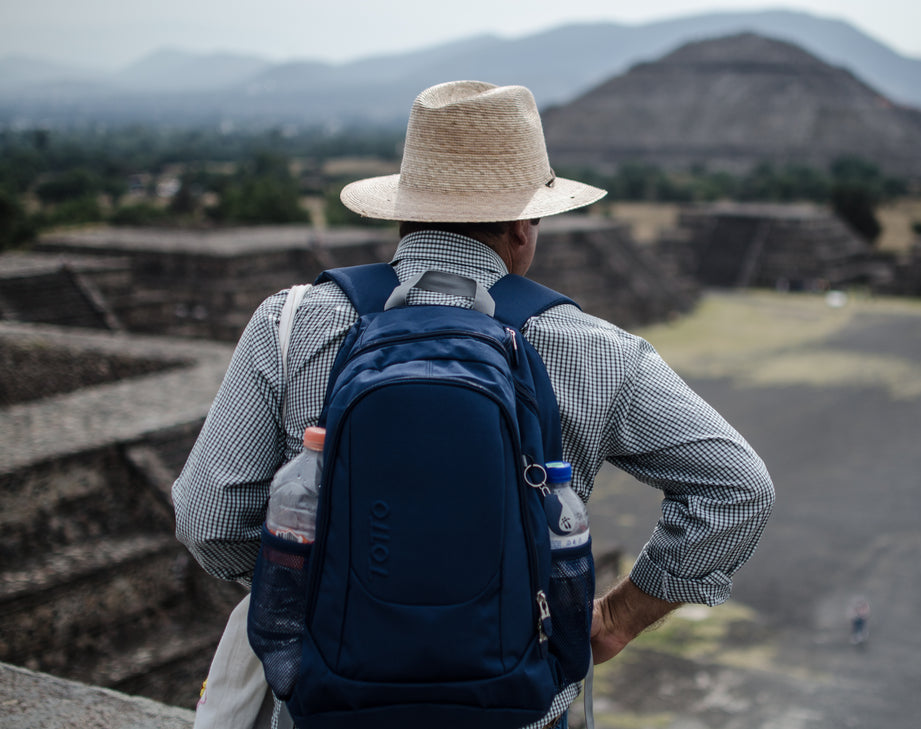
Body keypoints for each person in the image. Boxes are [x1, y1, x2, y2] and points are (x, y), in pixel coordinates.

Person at [173, 80, 776, 729]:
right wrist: (617, 617)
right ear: (525, 224)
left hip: (331, 703)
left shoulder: (291, 325)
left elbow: (208, 520)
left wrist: (321, 595)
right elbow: (738, 489)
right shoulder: (598, 352)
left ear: (401, 214)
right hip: (516, 706)